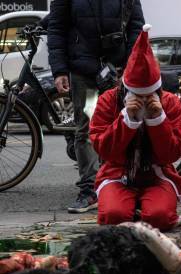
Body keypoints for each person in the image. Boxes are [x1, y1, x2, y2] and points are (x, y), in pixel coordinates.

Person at [89, 25, 181, 232]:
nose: (144, 101)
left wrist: (157, 119)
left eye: (149, 95)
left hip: (157, 173)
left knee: (160, 217)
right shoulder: (109, 100)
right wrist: (127, 119)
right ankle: (130, 208)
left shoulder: (170, 103)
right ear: (125, 89)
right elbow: (104, 149)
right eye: (138, 95)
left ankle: (141, 209)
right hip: (117, 173)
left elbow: (171, 154)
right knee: (113, 216)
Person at [47, 0, 145, 213]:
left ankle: (120, 181)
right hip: (86, 73)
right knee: (89, 128)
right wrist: (60, 70)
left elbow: (136, 27)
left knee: (123, 126)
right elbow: (57, 28)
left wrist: (130, 66)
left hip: (118, 73)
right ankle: (90, 189)